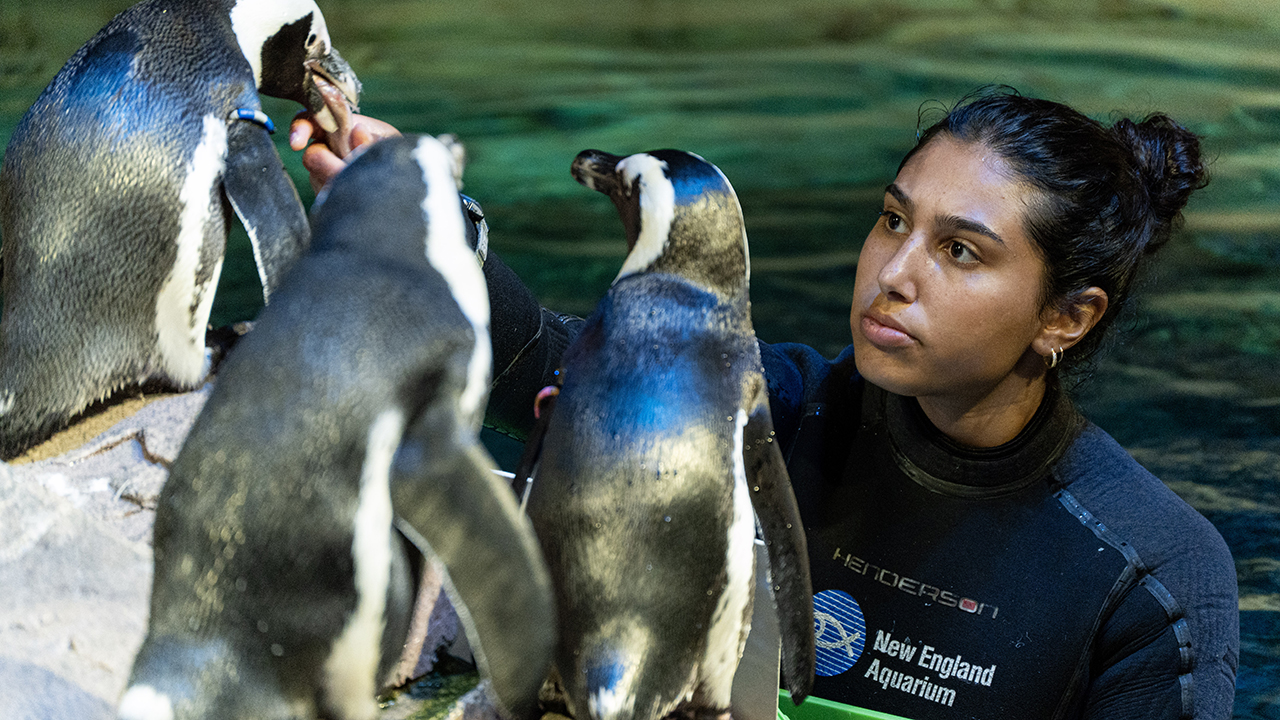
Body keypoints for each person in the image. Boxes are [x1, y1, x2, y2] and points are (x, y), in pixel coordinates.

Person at [291, 88, 1239, 719]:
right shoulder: (783, 412)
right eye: (894, 219)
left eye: (961, 251)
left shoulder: (1148, 576)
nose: (893, 275)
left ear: (1067, 318)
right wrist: (409, 223)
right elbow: (552, 366)